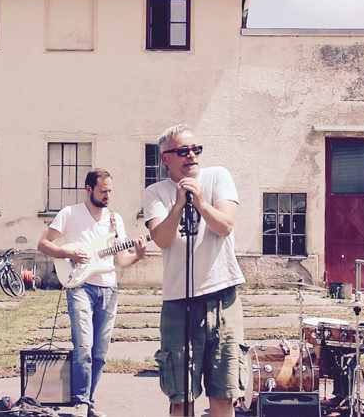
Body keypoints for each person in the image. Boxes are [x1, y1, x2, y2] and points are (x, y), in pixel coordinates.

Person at [143, 124, 245, 417]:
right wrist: (177, 205)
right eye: (183, 151)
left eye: (196, 149)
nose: (191, 156)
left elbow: (225, 225)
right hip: (179, 303)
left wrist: (199, 201)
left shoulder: (218, 177)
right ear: (165, 158)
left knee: (224, 395)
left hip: (223, 297)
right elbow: (162, 239)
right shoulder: (155, 192)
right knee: (181, 397)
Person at [38, 168, 147, 417]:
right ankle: (80, 403)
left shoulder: (115, 219)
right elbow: (43, 243)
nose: (108, 195)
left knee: (99, 353)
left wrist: (138, 255)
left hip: (109, 288)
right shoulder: (69, 213)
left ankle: (88, 401)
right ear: (89, 189)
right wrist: (69, 253)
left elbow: (122, 259)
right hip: (80, 286)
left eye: (110, 190)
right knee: (83, 347)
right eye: (103, 190)